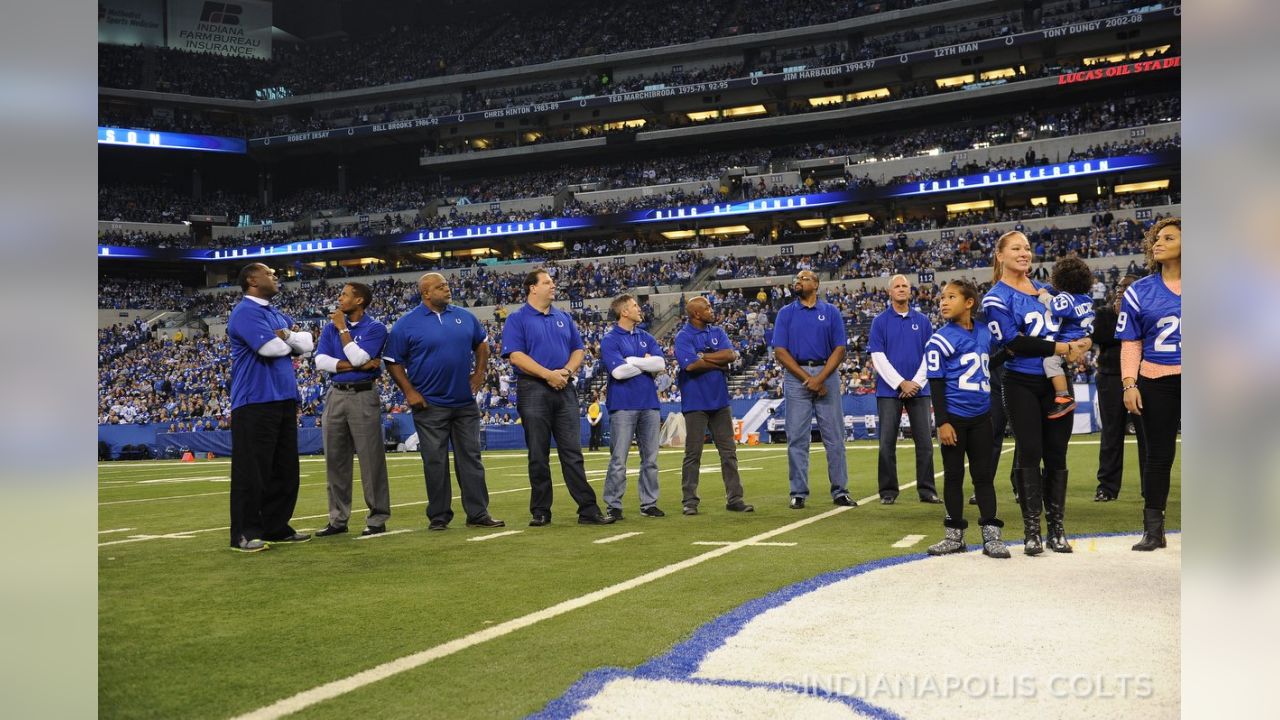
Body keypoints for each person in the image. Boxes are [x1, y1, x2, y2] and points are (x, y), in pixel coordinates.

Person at [983, 232, 1091, 555]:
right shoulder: (995, 298)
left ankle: (1057, 529)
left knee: (1057, 452)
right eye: (1016, 248)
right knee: (1030, 451)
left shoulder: (1049, 291)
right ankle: (1033, 531)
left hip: (1056, 381)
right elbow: (1014, 343)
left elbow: (1079, 325)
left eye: (1028, 248)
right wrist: (1062, 346)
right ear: (1000, 255)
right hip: (1020, 383)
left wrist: (1082, 343)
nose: (1024, 253)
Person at [385, 273, 505, 531]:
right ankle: (439, 516)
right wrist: (409, 391)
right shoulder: (406, 324)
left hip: (463, 402)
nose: (447, 290)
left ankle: (478, 513)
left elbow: (482, 343)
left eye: (447, 285)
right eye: (441, 287)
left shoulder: (464, 316)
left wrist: (480, 373)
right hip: (429, 404)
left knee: (471, 458)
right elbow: (393, 360)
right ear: (426, 293)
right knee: (434, 461)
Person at [501, 269, 615, 526]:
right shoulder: (517, 319)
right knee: (538, 453)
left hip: (564, 386)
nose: (553, 286)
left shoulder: (563, 317)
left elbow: (578, 350)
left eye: (552, 282)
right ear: (532, 288)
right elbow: (516, 356)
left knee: (573, 452)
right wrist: (547, 375)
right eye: (547, 282)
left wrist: (564, 372)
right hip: (533, 388)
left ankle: (588, 509)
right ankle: (541, 510)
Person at [225, 263, 314, 552]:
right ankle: (244, 532)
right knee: (252, 471)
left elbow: (308, 343)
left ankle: (276, 527)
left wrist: (286, 336)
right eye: (269, 273)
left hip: (284, 397)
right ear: (252, 280)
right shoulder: (244, 312)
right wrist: (290, 339)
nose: (276, 277)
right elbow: (269, 349)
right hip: (254, 399)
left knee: (285, 469)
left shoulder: (274, 313)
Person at [923, 280, 1009, 558]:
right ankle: (954, 535)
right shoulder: (939, 339)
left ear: (969, 303)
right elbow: (936, 384)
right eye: (942, 297)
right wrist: (943, 422)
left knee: (983, 477)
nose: (943, 302)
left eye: (951, 297)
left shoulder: (984, 332)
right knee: (953, 476)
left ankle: (991, 536)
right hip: (955, 418)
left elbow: (983, 364)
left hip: (982, 415)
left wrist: (1006, 354)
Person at [1119, 218, 1181, 551]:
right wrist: (1130, 383)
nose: (1158, 242)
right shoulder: (1139, 289)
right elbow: (1131, 343)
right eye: (1156, 238)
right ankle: (1153, 529)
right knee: (1158, 455)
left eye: (1168, 238)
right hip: (1157, 377)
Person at [771, 270, 856, 509]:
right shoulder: (785, 313)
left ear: (816, 284)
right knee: (796, 437)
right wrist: (809, 379)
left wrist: (819, 378)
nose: (798, 281)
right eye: (796, 279)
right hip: (797, 376)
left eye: (804, 278)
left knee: (835, 437)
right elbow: (780, 351)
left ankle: (840, 491)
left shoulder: (830, 312)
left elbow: (840, 349)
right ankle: (798, 492)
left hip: (825, 374)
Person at [313, 282, 392, 537]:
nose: (339, 298)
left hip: (362, 395)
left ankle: (377, 518)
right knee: (335, 461)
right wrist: (358, 364)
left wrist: (343, 330)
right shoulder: (329, 328)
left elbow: (359, 358)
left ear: (359, 300)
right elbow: (320, 361)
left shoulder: (376, 327)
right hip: (335, 396)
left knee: (371, 460)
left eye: (344, 295)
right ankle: (337, 519)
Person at [674, 296, 755, 516]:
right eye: (707, 308)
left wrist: (704, 357)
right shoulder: (683, 336)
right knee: (693, 453)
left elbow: (730, 355)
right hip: (695, 402)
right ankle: (689, 501)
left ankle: (735, 498)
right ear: (696, 314)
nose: (712, 310)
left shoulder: (717, 332)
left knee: (728, 452)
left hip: (719, 401)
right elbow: (690, 365)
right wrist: (714, 361)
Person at [868, 274, 940, 504]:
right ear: (889, 292)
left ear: (910, 291)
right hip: (889, 391)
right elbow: (877, 357)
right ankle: (888, 491)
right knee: (886, 443)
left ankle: (927, 490)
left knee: (925, 444)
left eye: (904, 286)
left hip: (919, 389)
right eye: (897, 286)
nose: (901, 289)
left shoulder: (924, 321)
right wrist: (901, 383)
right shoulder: (879, 321)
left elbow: (931, 355)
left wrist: (916, 383)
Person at [600, 294, 665, 519]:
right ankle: (614, 506)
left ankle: (649, 504)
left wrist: (632, 361)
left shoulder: (646, 336)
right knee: (618, 459)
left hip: (649, 404)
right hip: (622, 405)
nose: (640, 308)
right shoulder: (610, 339)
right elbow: (618, 372)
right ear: (624, 312)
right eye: (635, 306)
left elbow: (661, 363)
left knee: (651, 459)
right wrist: (646, 363)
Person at [1091, 274, 1146, 501]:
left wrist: (1127, 316)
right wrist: (1120, 316)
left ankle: (1150, 487)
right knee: (1111, 434)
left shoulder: (1146, 313)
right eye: (1119, 286)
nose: (1121, 289)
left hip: (1142, 379)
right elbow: (1099, 336)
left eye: (1127, 286)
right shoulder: (1104, 313)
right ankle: (1107, 487)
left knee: (1146, 435)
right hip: (1110, 377)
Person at [1036, 257, 1096, 419]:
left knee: (1049, 361)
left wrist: (1044, 295)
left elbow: (1057, 308)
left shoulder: (1066, 298)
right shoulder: (1086, 298)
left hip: (1068, 341)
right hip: (1082, 336)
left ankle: (1064, 396)